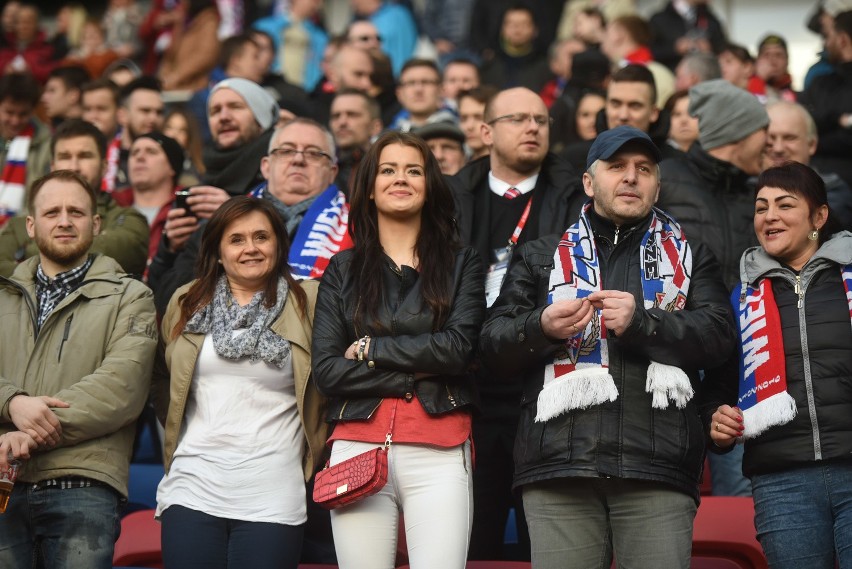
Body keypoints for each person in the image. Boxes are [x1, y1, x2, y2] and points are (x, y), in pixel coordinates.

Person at [479, 125, 735, 569]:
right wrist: (540, 327)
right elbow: (490, 348)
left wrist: (643, 324)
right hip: (557, 467)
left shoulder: (692, 254)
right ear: (588, 182)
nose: (631, 177)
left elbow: (719, 338)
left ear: (658, 183)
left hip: (657, 467)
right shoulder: (540, 255)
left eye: (644, 169)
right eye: (617, 167)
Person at [311, 131, 485, 568]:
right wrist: (418, 369)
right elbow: (329, 372)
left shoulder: (463, 262)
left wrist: (370, 348)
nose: (400, 179)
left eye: (414, 170)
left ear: (429, 186)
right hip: (357, 444)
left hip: (440, 445)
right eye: (387, 170)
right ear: (369, 188)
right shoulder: (343, 268)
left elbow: (458, 350)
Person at [449, 86, 585, 561]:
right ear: (485, 132)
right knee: (471, 543)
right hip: (468, 392)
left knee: (547, 548)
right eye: (518, 119)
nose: (532, 128)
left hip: (544, 388)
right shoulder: (450, 196)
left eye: (541, 120)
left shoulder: (573, 196)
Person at [154, 197, 326, 569]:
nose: (250, 248)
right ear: (218, 251)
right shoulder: (186, 302)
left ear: (279, 245)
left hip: (273, 491)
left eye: (261, 237)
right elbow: (163, 380)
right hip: (192, 484)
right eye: (236, 239)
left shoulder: (310, 302)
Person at [0, 169, 157, 569]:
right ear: (31, 226)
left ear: (96, 223)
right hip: (3, 479)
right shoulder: (2, 295)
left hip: (83, 484)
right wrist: (11, 401)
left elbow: (122, 386)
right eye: (52, 212)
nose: (65, 220)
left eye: (76, 211)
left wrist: (26, 429)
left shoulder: (131, 295)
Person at [708, 161, 852, 569]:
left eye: (785, 204)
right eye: (761, 207)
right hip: (782, 483)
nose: (769, 216)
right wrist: (715, 419)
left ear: (818, 217)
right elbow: (718, 387)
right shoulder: (739, 298)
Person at [0, 118, 149, 278]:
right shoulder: (18, 225)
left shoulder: (130, 220)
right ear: (52, 167)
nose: (74, 166)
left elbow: (122, 255)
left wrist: (27, 253)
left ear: (104, 166)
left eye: (85, 156)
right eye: (65, 156)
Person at [657, 79, 769, 290]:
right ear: (738, 132)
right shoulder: (664, 180)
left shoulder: (758, 195)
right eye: (763, 129)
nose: (769, 141)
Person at [764, 101, 852, 231]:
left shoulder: (831, 192)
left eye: (789, 138)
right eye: (770, 138)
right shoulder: (737, 188)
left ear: (811, 144)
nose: (778, 148)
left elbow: (813, 237)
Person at [800, 9, 852, 189]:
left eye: (828, 37)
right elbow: (803, 121)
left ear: (842, 39)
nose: (825, 44)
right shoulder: (820, 82)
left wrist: (815, 140)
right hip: (817, 182)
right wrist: (839, 119)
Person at [0, 72, 51, 227]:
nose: (15, 121)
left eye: (23, 114)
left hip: (24, 229)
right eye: (9, 112)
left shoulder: (47, 144)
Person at [328, 88, 382, 194]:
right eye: (336, 116)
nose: (342, 122)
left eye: (352, 114)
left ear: (375, 127)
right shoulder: (321, 166)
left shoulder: (389, 167)